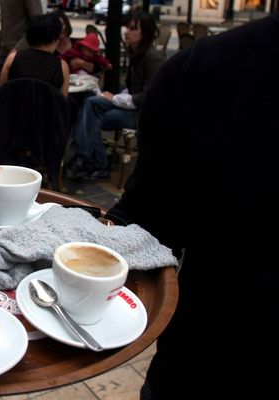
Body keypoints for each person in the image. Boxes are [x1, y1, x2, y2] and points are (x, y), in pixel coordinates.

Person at [105, 13, 279, 400]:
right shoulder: (197, 72)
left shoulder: (201, 72)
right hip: (201, 359)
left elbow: (152, 222)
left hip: (205, 363)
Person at [67, 12, 164, 182]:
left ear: (145, 33)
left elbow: (148, 97)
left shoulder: (152, 57)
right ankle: (88, 159)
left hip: (142, 114)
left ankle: (92, 162)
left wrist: (114, 99)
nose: (126, 31)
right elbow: (132, 87)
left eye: (133, 28)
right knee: (90, 103)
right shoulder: (136, 53)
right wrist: (112, 97)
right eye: (127, 26)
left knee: (91, 118)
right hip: (130, 103)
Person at [0, 13, 70, 97]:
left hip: (15, 109)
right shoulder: (62, 66)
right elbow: (62, 103)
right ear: (54, 38)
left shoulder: (12, 58)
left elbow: (1, 93)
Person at [0, 0, 44, 79]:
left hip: (23, 56)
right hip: (4, 53)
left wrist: (18, 48)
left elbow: (38, 23)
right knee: (3, 90)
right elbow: (6, 22)